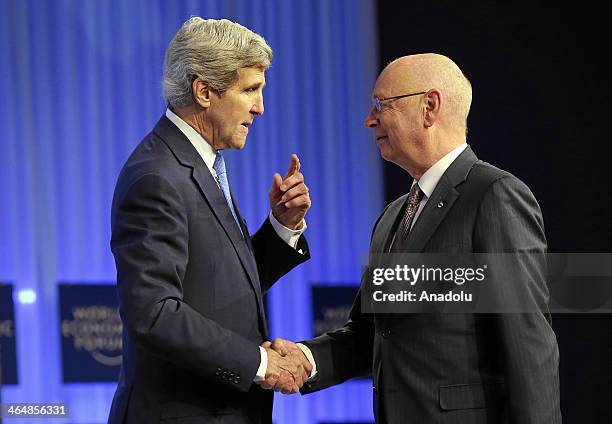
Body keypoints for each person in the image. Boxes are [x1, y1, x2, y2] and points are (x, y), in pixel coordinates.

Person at [266, 54, 561, 423]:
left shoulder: (494, 195)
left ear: (429, 107)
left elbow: (528, 346)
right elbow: (370, 334)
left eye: (381, 105)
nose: (369, 119)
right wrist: (305, 360)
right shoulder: (392, 217)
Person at [108, 17, 312, 424]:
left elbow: (218, 288)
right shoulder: (157, 175)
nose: (260, 107)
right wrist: (260, 363)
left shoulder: (200, 164)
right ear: (204, 91)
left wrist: (281, 227)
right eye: (250, 90)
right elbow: (154, 313)